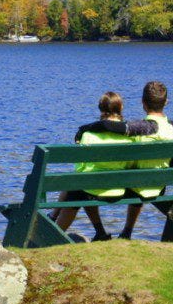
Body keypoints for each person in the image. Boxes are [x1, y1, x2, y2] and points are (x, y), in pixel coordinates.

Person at [78, 81, 173, 239]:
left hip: (137, 185)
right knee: (140, 175)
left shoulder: (144, 127)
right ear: (166, 102)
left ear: (143, 103)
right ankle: (127, 231)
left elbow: (112, 126)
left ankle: (102, 231)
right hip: (159, 185)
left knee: (83, 186)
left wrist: (85, 129)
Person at [48, 91, 134, 242]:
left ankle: (51, 236)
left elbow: (80, 169)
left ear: (101, 109)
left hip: (94, 189)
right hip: (121, 190)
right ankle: (99, 232)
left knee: (78, 188)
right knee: (84, 183)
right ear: (120, 109)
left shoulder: (88, 136)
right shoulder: (130, 136)